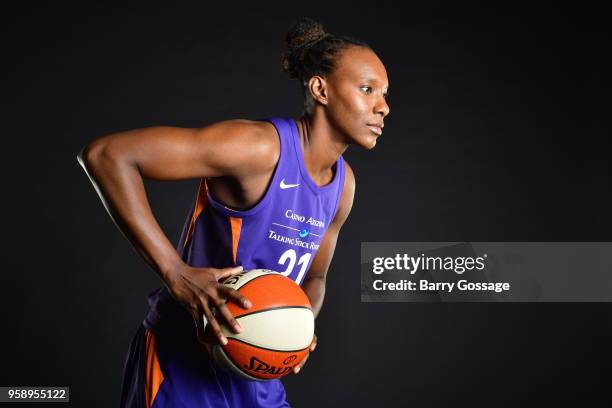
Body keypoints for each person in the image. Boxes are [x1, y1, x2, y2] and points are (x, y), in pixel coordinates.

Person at [78, 16, 389, 408]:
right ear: (320, 89)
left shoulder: (343, 185)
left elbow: (316, 275)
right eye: (367, 90)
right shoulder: (259, 148)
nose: (383, 107)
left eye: (384, 94)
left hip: (255, 373)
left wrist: (300, 322)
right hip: (181, 367)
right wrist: (175, 272)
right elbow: (107, 156)